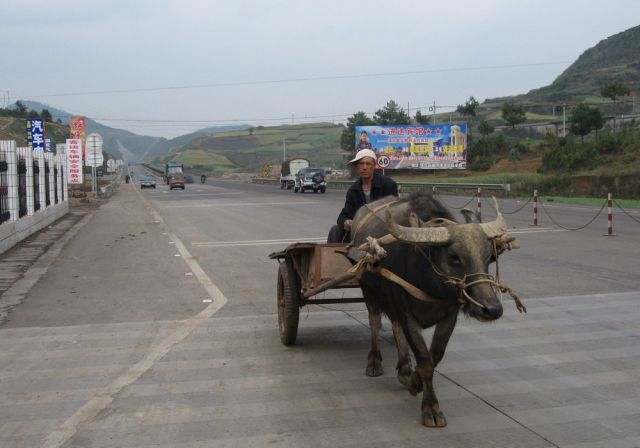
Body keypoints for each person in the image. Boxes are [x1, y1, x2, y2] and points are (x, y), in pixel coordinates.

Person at [327, 148, 398, 243]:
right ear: (357, 167)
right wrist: (346, 222)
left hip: (383, 231)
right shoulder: (353, 190)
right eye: (361, 164)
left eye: (368, 164)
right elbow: (345, 214)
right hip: (360, 233)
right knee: (335, 230)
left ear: (374, 166)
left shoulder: (388, 185)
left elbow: (396, 212)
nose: (364, 167)